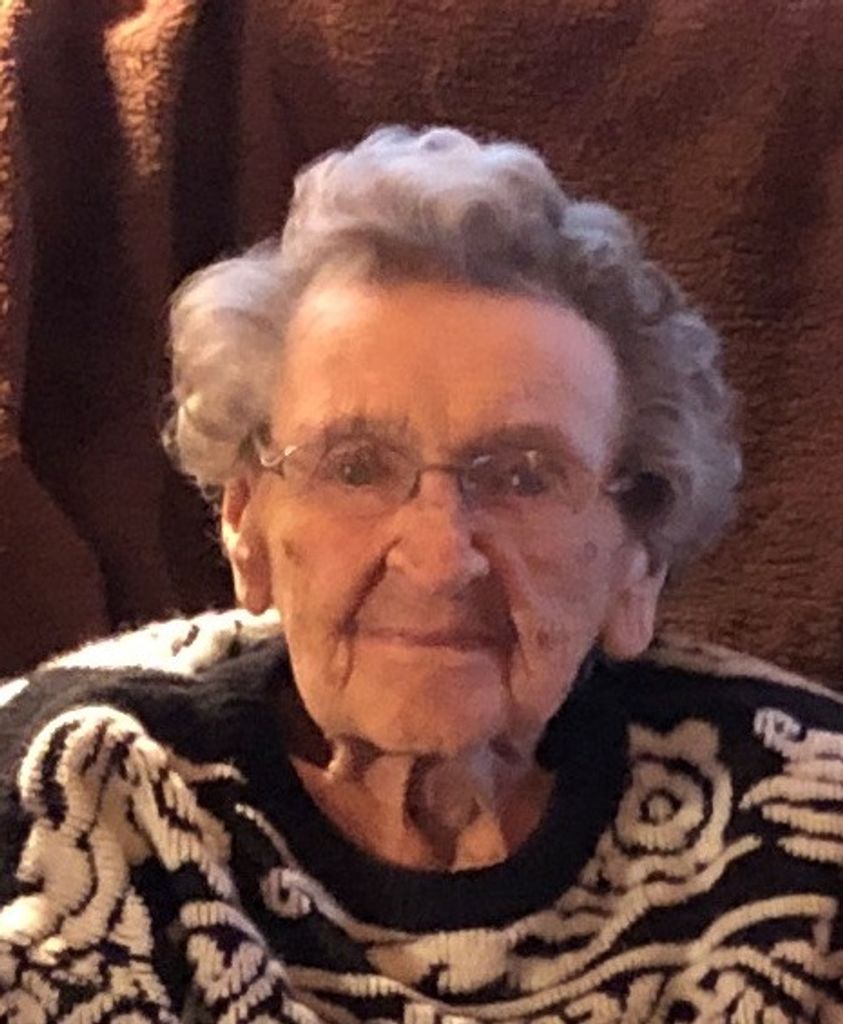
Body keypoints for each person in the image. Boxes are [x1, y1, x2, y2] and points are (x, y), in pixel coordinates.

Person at [1, 125, 841, 1023]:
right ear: (246, 525)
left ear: (637, 566)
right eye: (356, 467)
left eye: (524, 477)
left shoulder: (806, 818)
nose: (439, 558)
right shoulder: (75, 788)